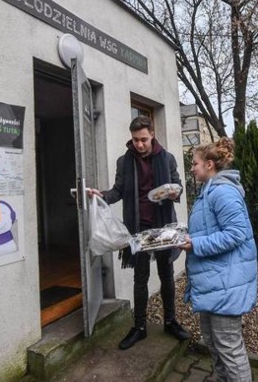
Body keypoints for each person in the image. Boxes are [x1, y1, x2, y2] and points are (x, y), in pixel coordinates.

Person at [86, 116, 190, 350]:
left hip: (163, 227)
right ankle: (140, 327)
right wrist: (101, 196)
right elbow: (118, 191)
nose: (139, 144)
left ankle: (171, 321)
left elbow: (177, 184)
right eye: (135, 140)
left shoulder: (168, 158)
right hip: (138, 228)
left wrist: (174, 192)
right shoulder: (124, 161)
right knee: (140, 278)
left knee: (166, 275)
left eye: (143, 139)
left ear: (152, 134)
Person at [181, 137, 258, 382]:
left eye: (195, 164)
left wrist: (195, 244)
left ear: (210, 164)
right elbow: (211, 229)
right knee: (213, 344)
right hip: (213, 283)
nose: (192, 168)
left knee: (229, 348)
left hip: (225, 284)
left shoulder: (222, 192)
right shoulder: (209, 191)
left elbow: (237, 233)